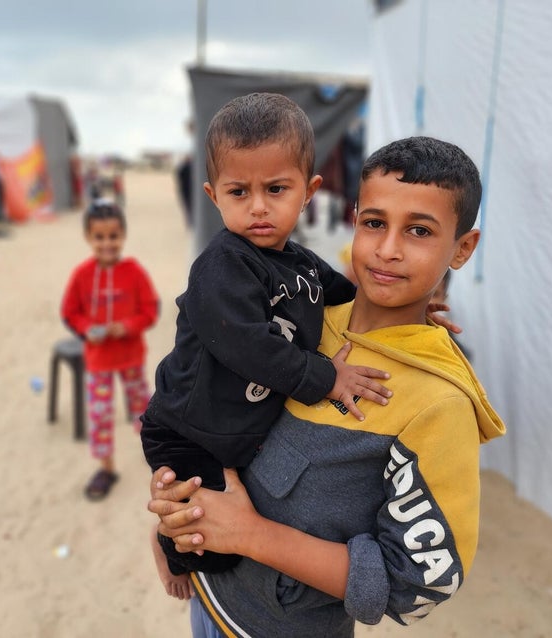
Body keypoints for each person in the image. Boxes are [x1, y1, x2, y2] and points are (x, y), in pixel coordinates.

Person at [149, 136, 507, 637]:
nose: (388, 249)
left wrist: (251, 535)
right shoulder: (292, 319)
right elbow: (205, 410)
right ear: (354, 220)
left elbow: (414, 583)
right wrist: (175, 507)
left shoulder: (437, 402)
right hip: (210, 598)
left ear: (462, 248)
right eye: (375, 223)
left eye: (420, 231)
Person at [140, 93, 395, 597]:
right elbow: (248, 346)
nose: (258, 207)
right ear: (214, 196)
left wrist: (395, 305)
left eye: (276, 189)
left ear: (309, 191)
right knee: (208, 546)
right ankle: (164, 545)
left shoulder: (302, 264)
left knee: (240, 522)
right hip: (188, 432)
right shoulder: (221, 265)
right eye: (239, 192)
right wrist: (328, 377)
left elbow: (344, 300)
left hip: (241, 431)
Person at [61, 200, 159, 501]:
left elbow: (150, 309)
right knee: (101, 416)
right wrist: (86, 329)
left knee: (143, 409)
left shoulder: (134, 272)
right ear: (88, 238)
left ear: (123, 236)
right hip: (98, 360)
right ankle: (106, 468)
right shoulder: (81, 275)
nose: (107, 244)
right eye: (99, 237)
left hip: (130, 357)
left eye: (113, 236)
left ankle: (157, 457)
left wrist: (127, 326)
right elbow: (69, 312)